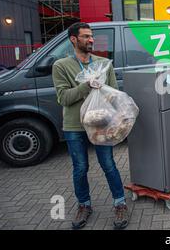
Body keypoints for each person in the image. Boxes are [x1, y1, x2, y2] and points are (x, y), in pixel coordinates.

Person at [52, 22, 129, 230]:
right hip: (74, 126)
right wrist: (86, 86)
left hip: (101, 124)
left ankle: (120, 203)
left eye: (91, 36)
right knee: (80, 168)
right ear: (73, 39)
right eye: (85, 36)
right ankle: (84, 205)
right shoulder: (61, 66)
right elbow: (63, 98)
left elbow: (113, 94)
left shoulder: (104, 63)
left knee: (109, 164)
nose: (91, 40)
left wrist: (121, 118)